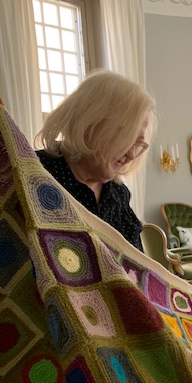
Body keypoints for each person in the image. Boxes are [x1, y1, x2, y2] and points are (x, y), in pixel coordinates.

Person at [35, 69, 156, 252]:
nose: (132, 155)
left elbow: (135, 264)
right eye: (126, 137)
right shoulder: (34, 173)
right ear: (90, 124)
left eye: (138, 144)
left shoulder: (118, 194)